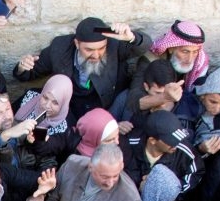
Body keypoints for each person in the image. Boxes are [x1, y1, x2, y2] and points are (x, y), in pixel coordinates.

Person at [13, 16, 150, 124]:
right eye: (89, 50)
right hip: (69, 111)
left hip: (103, 109)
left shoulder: (114, 45)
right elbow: (30, 73)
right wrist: (22, 67)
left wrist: (132, 37)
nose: (96, 55)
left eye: (101, 49)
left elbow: (144, 45)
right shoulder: (59, 49)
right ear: (77, 44)